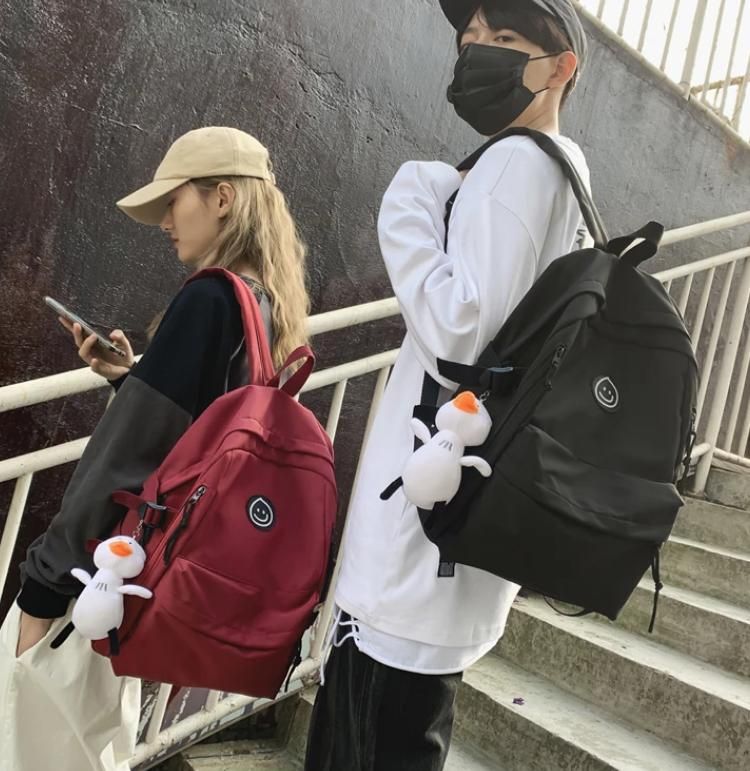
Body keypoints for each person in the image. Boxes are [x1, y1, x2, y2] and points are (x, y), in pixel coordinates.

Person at [304, 1, 592, 769]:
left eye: (505, 37)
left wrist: (410, 198)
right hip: (451, 543)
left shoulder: (517, 162)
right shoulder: (563, 172)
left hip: (416, 556)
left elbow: (461, 331)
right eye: (471, 38)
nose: (477, 50)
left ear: (561, 67)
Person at [0, 126, 310, 771]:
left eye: (174, 201)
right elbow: (206, 436)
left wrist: (44, 586)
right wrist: (131, 378)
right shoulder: (264, 304)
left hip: (99, 575)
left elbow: (120, 455)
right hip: (156, 579)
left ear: (222, 198)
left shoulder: (209, 297)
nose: (166, 221)